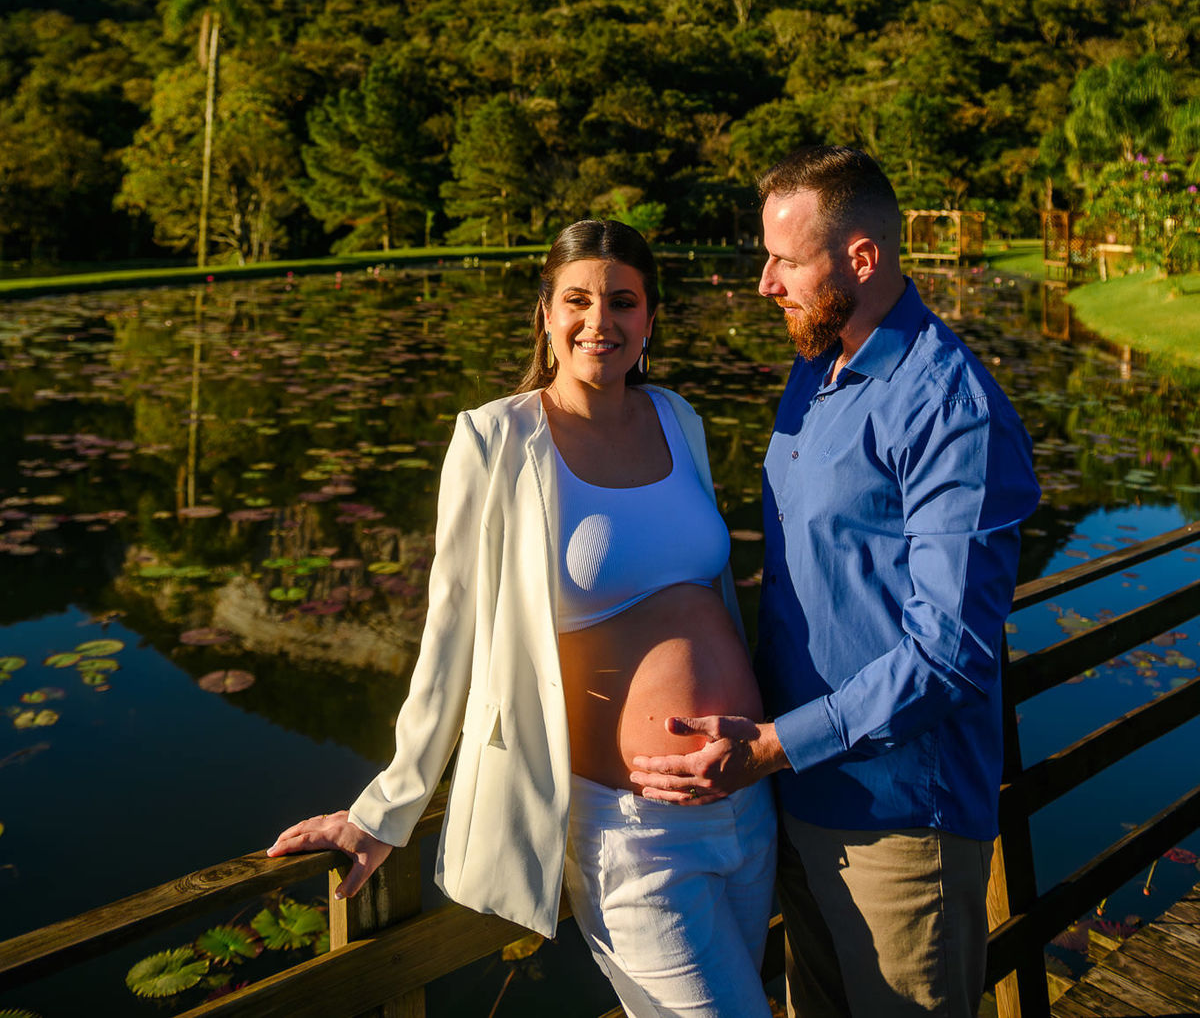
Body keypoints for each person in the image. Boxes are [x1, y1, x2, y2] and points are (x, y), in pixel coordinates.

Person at [268, 219, 776, 1018]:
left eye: (622, 301)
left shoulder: (681, 418)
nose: (598, 321)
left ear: (650, 318)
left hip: (747, 802)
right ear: (544, 312)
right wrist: (386, 807)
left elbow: (710, 595)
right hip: (629, 835)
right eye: (576, 299)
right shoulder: (499, 436)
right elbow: (451, 631)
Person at [630, 148, 1040, 1018]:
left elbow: (951, 654)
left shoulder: (949, 407)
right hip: (791, 803)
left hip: (900, 823)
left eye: (786, 259)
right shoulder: (816, 370)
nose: (765, 283)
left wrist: (775, 743)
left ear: (862, 258)